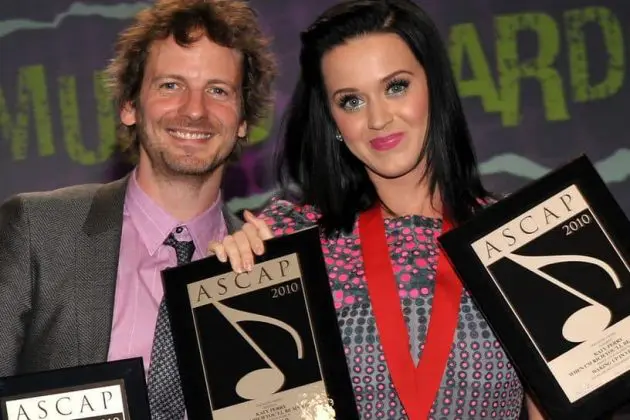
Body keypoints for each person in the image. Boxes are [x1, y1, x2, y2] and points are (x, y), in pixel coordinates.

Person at [208, 0, 545, 418]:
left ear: (434, 87)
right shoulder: (293, 241)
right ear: (332, 120)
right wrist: (238, 273)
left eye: (396, 86)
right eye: (351, 101)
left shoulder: (515, 235)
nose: (379, 118)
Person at [0, 0, 277, 419]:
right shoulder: (39, 232)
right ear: (129, 106)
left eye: (218, 90)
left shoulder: (271, 272)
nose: (195, 109)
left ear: (242, 121)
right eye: (171, 85)